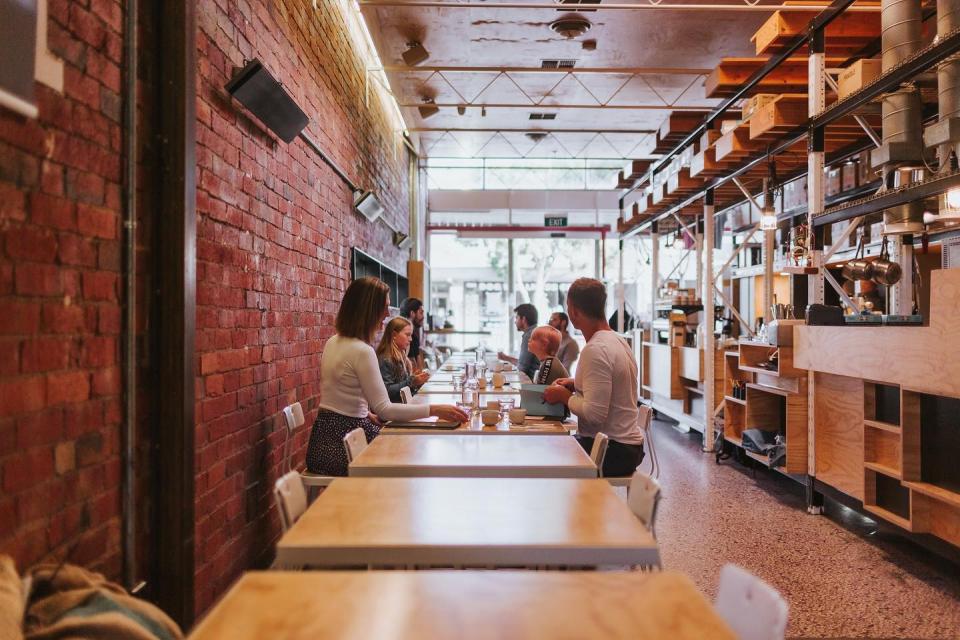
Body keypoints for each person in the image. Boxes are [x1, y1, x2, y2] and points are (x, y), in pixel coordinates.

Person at [306, 278, 468, 476]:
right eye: (383, 307)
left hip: (321, 441)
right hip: (343, 443)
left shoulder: (333, 342)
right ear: (368, 310)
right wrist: (435, 410)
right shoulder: (362, 351)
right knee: (410, 456)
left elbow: (340, 395)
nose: (387, 314)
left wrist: (365, 413)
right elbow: (385, 409)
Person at [543, 278, 645, 476]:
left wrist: (563, 396)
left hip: (612, 451)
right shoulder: (616, 340)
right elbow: (613, 383)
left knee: (544, 454)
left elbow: (594, 415)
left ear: (573, 312)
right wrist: (576, 384)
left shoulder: (596, 349)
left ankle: (577, 506)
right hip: (628, 447)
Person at [376, 316, 430, 403]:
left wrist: (417, 382)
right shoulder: (385, 359)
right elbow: (387, 391)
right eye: (407, 335)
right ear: (394, 335)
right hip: (394, 412)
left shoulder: (401, 355)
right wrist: (412, 381)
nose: (411, 339)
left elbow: (404, 386)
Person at [497, 303, 540, 380]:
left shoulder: (529, 336)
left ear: (523, 319)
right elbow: (523, 363)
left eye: (516, 318)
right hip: (534, 382)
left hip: (530, 383)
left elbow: (522, 368)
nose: (515, 321)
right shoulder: (535, 331)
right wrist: (506, 357)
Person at [399, 297, 426, 371]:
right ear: (412, 314)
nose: (423, 317)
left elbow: (419, 368)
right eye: (421, 312)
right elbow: (414, 369)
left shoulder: (414, 335)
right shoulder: (406, 337)